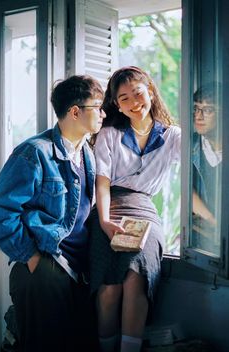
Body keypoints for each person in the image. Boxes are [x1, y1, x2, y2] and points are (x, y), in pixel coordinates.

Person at [0, 75, 106, 352]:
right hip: (45, 267)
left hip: (76, 271)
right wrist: (31, 257)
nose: (104, 114)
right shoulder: (34, 153)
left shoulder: (86, 154)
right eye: (98, 107)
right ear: (75, 111)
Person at [89, 66, 181, 352]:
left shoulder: (173, 136)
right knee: (109, 286)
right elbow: (102, 184)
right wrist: (104, 221)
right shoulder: (109, 134)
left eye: (138, 93)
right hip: (109, 206)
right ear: (116, 104)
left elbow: (200, 168)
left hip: (144, 209)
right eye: (124, 98)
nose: (133, 103)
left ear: (150, 91)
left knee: (135, 278)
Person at [192, 82, 222, 253]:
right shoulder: (190, 145)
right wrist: (214, 223)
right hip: (200, 236)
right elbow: (185, 189)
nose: (199, 116)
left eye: (208, 110)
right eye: (196, 108)